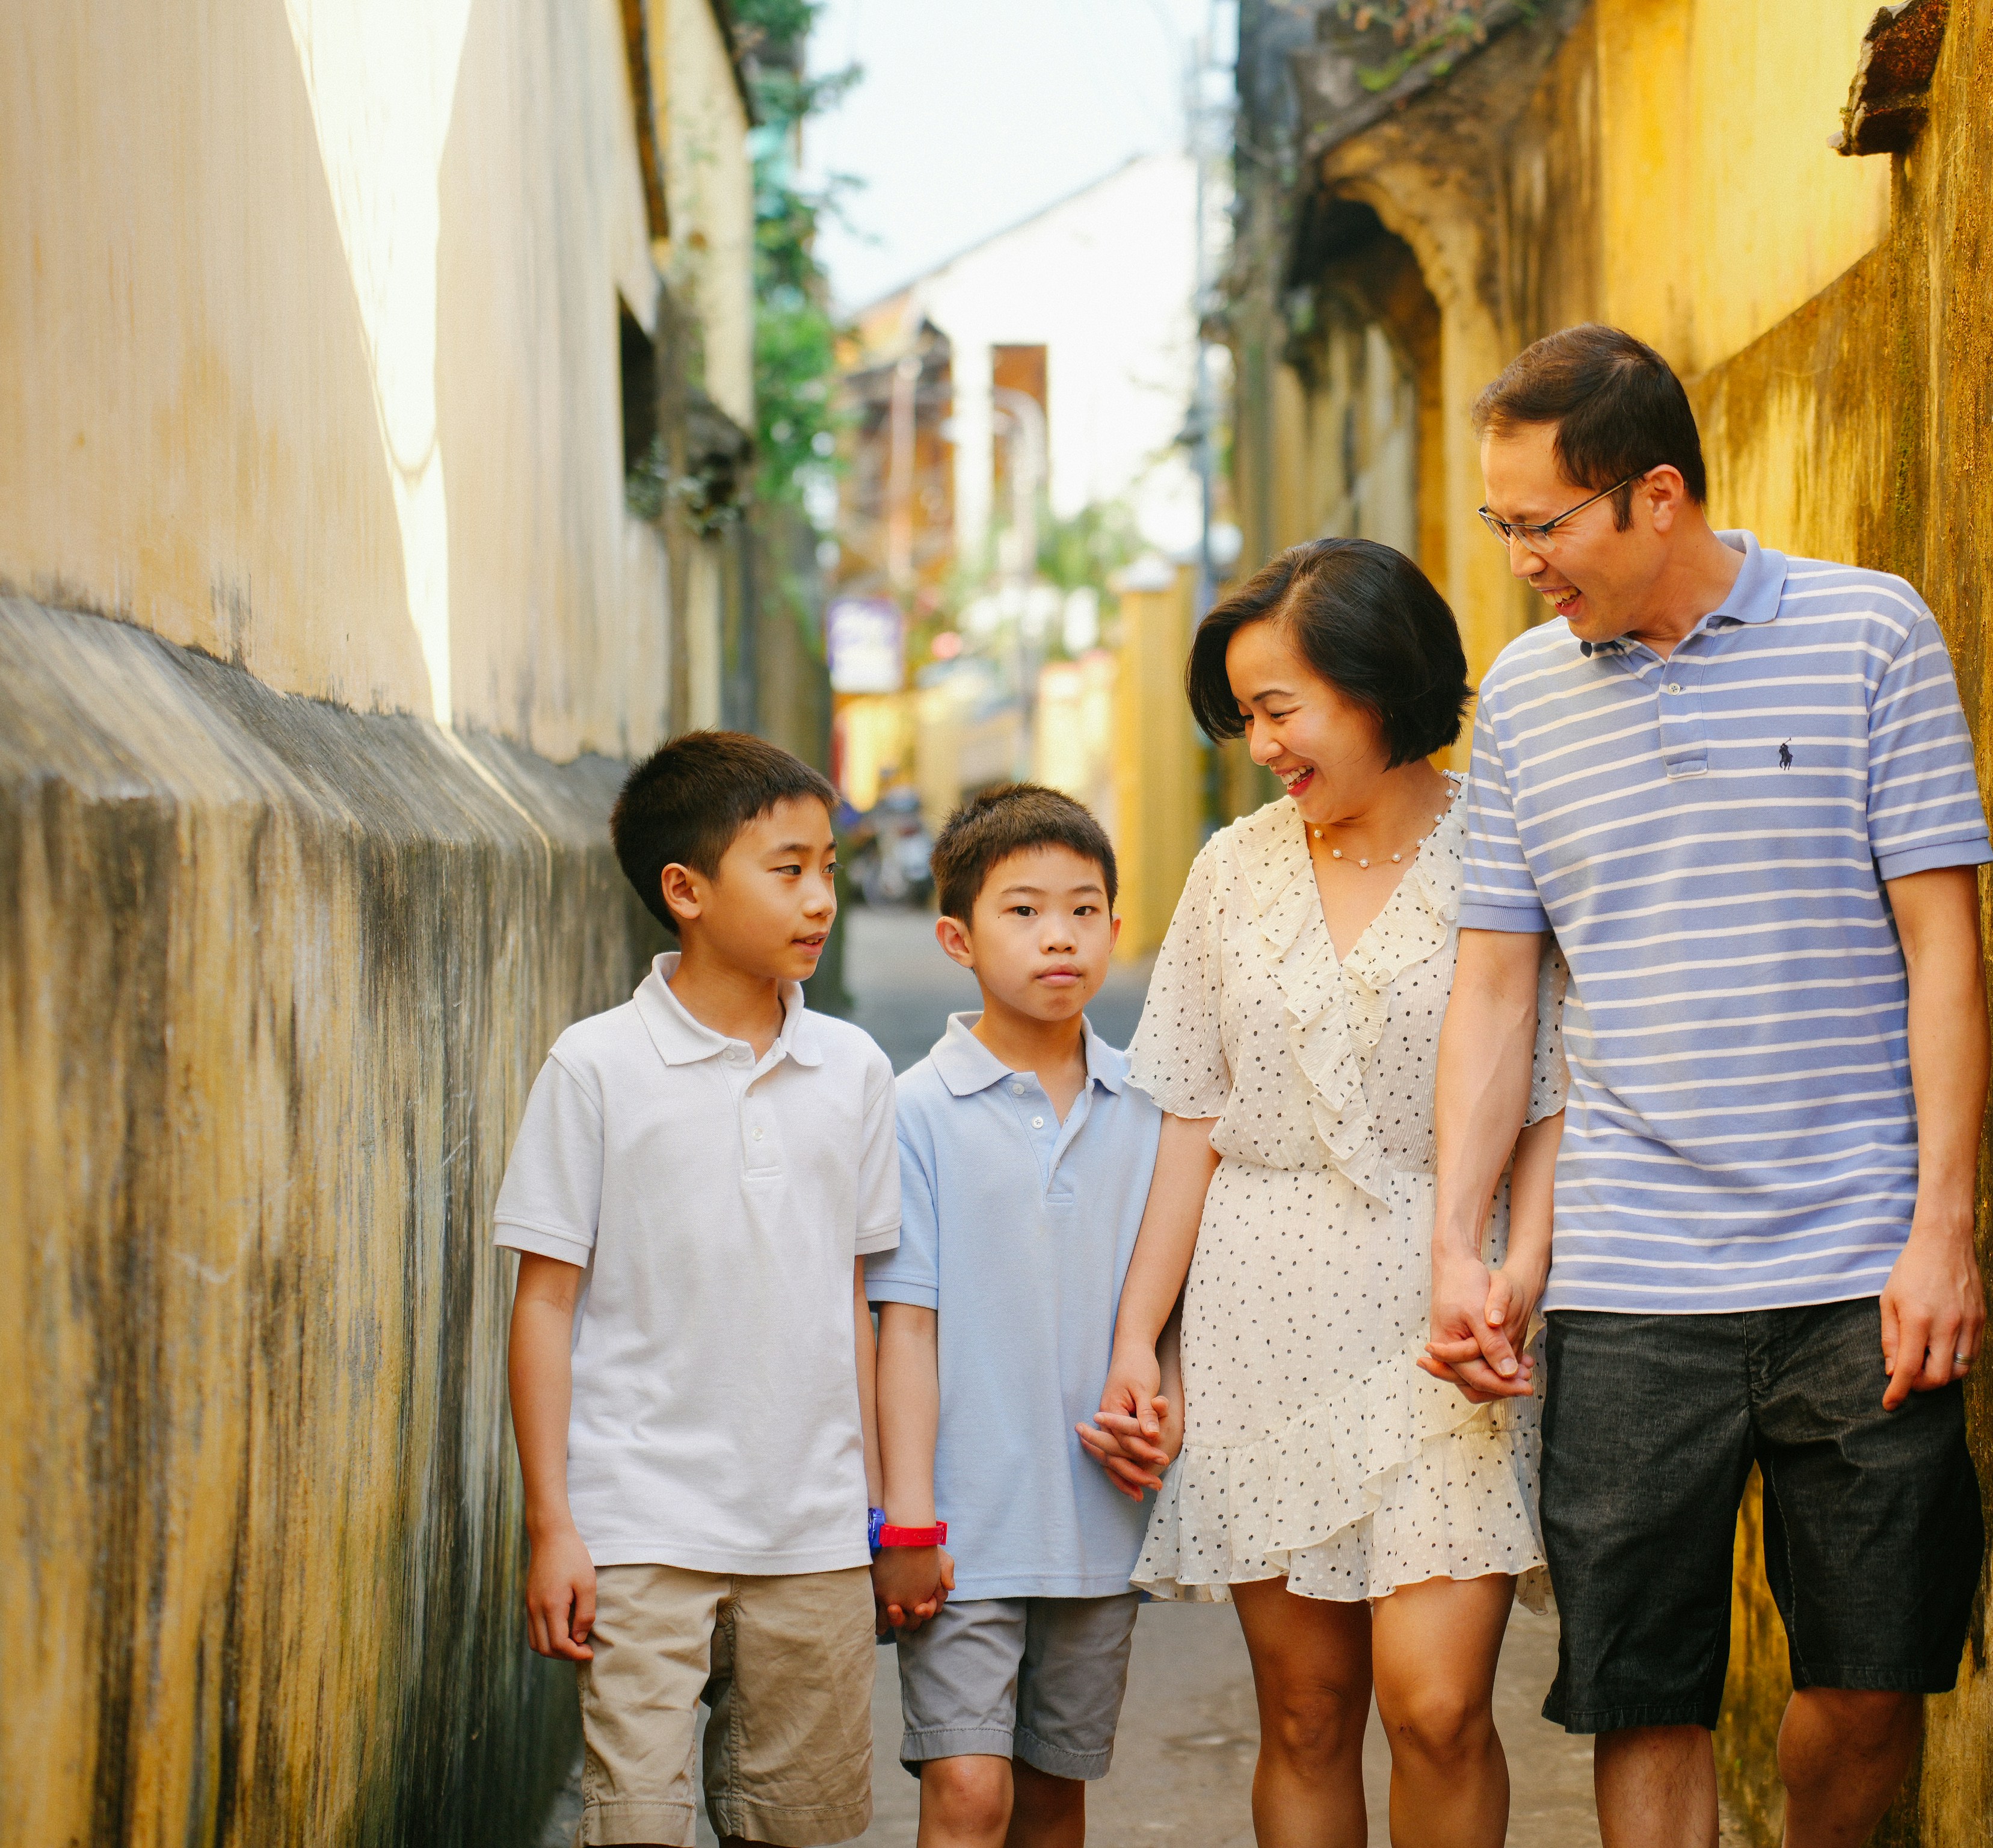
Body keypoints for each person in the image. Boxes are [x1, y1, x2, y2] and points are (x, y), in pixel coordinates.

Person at [1429, 324, 1993, 1848]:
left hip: (1859, 1260)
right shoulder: (1526, 701)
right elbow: (1495, 990)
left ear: (1656, 495)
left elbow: (1946, 946)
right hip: (1629, 1274)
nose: (1521, 563)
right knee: (1645, 1690)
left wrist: (1942, 1228)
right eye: (1502, 527)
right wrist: (1461, 1249)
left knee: (1874, 1678)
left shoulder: (1873, 634)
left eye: (1539, 526)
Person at [1083, 538, 1568, 1848]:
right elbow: (1189, 1121)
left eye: (1279, 708)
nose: (1261, 746)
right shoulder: (1233, 871)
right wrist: (1144, 1340)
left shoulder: (1504, 850)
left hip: (1445, 1312)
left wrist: (1517, 1279)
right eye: (1243, 717)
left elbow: (1552, 1105)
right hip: (1259, 1309)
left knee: (1438, 1706)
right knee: (1302, 1713)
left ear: (1377, 683)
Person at [498, 730, 899, 1848]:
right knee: (636, 1822)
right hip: (640, 1528)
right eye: (788, 870)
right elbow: (544, 1303)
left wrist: (873, 1513)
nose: (821, 898)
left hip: (812, 1534)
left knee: (802, 1825)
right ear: (685, 889)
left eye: (829, 866)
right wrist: (553, 1528)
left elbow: (858, 1307)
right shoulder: (595, 1065)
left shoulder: (855, 1072)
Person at [866, 784, 1166, 1848]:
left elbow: (1166, 1308)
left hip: (1097, 1526)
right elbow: (903, 1327)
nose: (1061, 939)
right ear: (956, 937)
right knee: (968, 1792)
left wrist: (1164, 1411)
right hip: (963, 1532)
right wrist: (905, 1520)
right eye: (1025, 911)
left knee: (1053, 1795)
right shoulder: (912, 1112)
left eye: (1085, 911)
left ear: (1118, 931)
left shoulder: (1152, 1108)